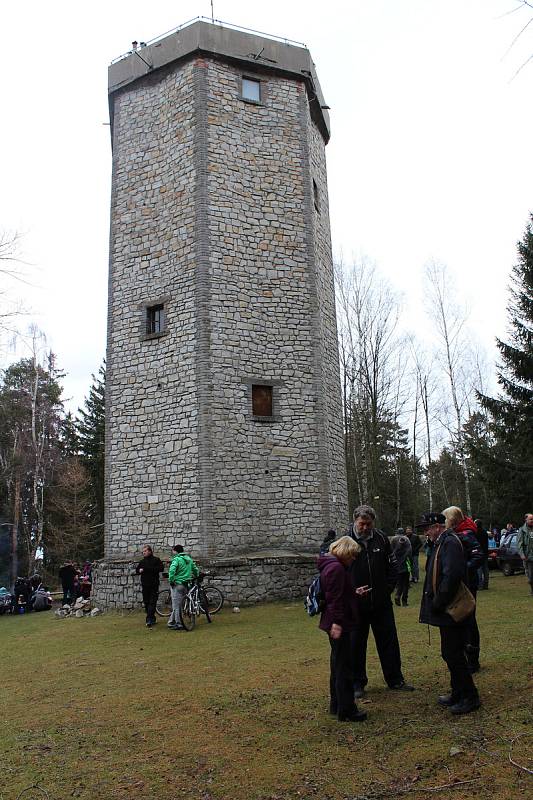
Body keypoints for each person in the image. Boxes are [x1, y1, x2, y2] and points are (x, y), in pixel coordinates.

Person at [348, 505, 414, 697]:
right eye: (362, 524)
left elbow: (392, 566)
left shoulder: (381, 538)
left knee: (389, 641)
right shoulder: (346, 540)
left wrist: (387, 589)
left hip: (381, 603)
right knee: (356, 645)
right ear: (355, 521)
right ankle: (357, 684)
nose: (365, 528)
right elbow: (340, 571)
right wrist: (351, 592)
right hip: (356, 604)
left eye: (369, 524)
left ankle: (395, 679)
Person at [418, 511, 480, 715]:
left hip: (451, 608)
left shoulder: (450, 543)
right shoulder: (441, 543)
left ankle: (470, 696)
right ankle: (458, 692)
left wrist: (438, 602)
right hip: (446, 608)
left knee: (453, 653)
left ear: (438, 526)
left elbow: (451, 576)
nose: (426, 532)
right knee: (450, 652)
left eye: (427, 528)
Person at [317, 535, 367, 722]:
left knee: (337, 663)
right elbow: (335, 600)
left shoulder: (330, 566)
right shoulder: (337, 568)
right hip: (338, 623)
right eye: (352, 555)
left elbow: (336, 593)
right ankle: (347, 710)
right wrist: (337, 623)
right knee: (344, 667)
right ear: (345, 552)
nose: (353, 559)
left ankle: (336, 704)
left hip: (333, 620)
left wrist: (354, 592)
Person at [442, 506, 484, 673]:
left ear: (452, 519)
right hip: (460, 583)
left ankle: (473, 659)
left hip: (468, 583)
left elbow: (478, 555)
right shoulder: (457, 534)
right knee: (461, 619)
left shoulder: (466, 534)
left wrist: (462, 569)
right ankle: (465, 656)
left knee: (469, 620)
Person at [167, 544, 199, 630]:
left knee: (176, 606)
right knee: (183, 604)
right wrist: (196, 576)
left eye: (173, 551)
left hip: (177, 584)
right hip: (186, 584)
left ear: (176, 551)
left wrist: (171, 580)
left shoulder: (176, 560)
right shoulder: (189, 559)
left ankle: (179, 624)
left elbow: (172, 571)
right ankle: (171, 622)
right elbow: (195, 570)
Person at [135, 545, 164, 627]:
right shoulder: (142, 561)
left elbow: (161, 568)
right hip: (145, 585)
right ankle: (152, 618)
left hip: (154, 584)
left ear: (150, 551)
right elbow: (137, 570)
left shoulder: (156, 560)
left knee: (152, 602)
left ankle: (149, 619)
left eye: (145, 551)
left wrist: (147, 569)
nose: (143, 552)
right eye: (143, 551)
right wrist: (139, 570)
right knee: (146, 602)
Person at [391, 530, 412, 606]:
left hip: (397, 564)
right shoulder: (406, 539)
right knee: (406, 584)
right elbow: (409, 553)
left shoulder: (393, 539)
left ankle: (397, 595)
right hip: (405, 564)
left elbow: (390, 552)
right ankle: (404, 601)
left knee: (400, 583)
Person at [517, 513, 533, 595]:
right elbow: (519, 544)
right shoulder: (522, 530)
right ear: (526, 520)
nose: (532, 521)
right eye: (530, 519)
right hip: (528, 557)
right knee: (530, 576)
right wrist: (522, 555)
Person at [474, 519, 489, 590]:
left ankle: (480, 585)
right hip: (485, 552)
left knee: (479, 570)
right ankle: (486, 584)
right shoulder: (485, 532)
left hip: (479, 552)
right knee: (485, 569)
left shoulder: (475, 532)